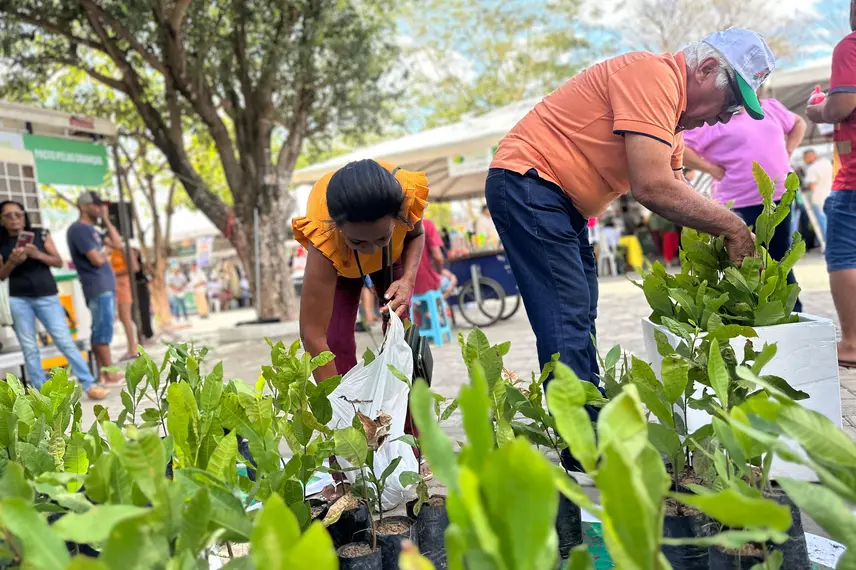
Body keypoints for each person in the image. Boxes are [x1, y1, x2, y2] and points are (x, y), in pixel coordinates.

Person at [486, 28, 769, 463]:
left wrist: (718, 254)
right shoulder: (652, 76)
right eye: (730, 102)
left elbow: (679, 187)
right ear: (707, 68)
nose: (725, 118)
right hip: (530, 183)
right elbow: (652, 187)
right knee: (567, 313)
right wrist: (733, 228)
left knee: (581, 308)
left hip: (559, 199)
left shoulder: (671, 121)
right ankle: (584, 447)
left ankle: (590, 422)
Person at [293, 159, 428, 383]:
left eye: (381, 237)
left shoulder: (404, 198)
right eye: (358, 241)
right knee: (334, 342)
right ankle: (350, 410)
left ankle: (410, 413)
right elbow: (313, 335)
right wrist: (336, 408)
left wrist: (407, 280)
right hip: (342, 267)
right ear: (338, 228)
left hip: (390, 259)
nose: (371, 249)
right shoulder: (325, 239)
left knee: (399, 333)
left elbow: (416, 234)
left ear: (397, 218)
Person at [683, 92, 807, 311]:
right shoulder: (713, 118)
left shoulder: (769, 108)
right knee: (747, 262)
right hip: (738, 201)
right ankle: (752, 315)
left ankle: (791, 311)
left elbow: (798, 123)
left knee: (780, 257)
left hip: (778, 196)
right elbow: (679, 147)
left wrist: (788, 150)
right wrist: (710, 169)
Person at [0, 202, 108, 399]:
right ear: (1, 219)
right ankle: (42, 396)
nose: (15, 218)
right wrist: (13, 261)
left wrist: (37, 254)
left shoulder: (40, 234)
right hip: (17, 299)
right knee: (30, 348)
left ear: (25, 216)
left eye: (19, 214)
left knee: (64, 341)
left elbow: (58, 261)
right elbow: (1, 274)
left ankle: (88, 384)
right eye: (9, 215)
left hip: (46, 295)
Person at [806, 0, 856, 367]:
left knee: (844, 255)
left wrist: (818, 108)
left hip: (853, 179)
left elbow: (841, 107)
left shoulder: (851, 45)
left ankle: (853, 343)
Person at [66, 191, 123, 385]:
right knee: (102, 330)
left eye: (102, 205)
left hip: (105, 285)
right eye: (96, 205)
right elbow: (97, 260)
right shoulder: (78, 230)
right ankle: (109, 373)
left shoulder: (95, 230)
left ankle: (103, 374)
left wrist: (106, 220)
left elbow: (118, 243)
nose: (100, 208)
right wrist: (106, 251)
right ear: (83, 206)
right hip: (97, 286)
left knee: (102, 328)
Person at [109, 244, 140, 361]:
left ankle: (133, 348)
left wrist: (114, 274)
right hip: (113, 285)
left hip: (123, 284)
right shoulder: (109, 248)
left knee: (126, 317)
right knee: (122, 317)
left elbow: (135, 267)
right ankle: (131, 347)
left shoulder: (124, 248)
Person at [803, 149, 834, 239]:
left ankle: (828, 244)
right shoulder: (827, 163)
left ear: (810, 157)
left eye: (805, 158)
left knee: (823, 222)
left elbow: (811, 186)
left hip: (819, 199)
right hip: (830, 195)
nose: (805, 161)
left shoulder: (812, 168)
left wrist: (804, 187)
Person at [131, 243, 155, 345]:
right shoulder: (129, 264)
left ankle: (147, 333)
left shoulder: (140, 265)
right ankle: (140, 333)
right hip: (133, 288)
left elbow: (149, 275)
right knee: (135, 313)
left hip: (142, 288)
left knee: (145, 311)